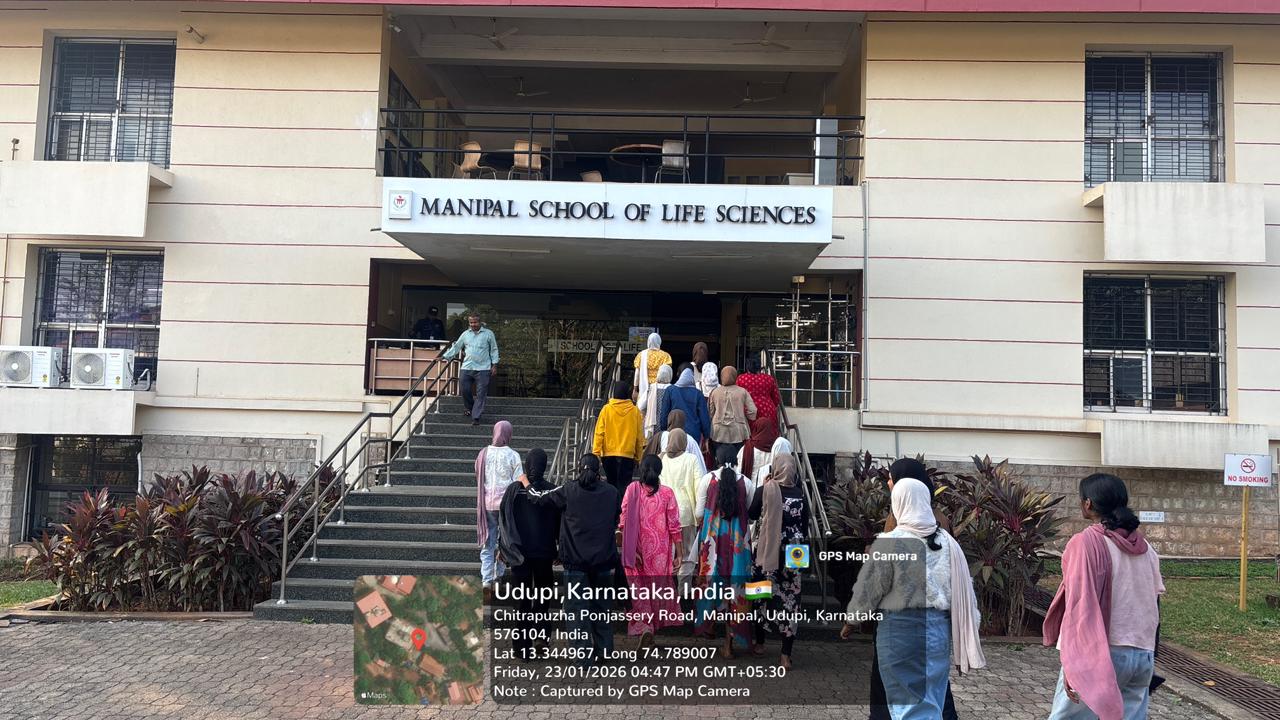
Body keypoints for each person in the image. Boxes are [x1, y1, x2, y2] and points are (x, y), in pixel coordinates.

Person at [842, 477, 985, 720]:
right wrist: (971, 627)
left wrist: (851, 622)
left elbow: (869, 591)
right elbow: (966, 593)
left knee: (907, 708)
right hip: (938, 635)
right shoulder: (949, 543)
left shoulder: (889, 543)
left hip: (898, 634)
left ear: (898, 504)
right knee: (931, 702)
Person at [1043, 473, 1164, 720]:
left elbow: (1080, 605)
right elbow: (1155, 601)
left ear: (1087, 503)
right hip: (1142, 654)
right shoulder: (1146, 549)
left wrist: (1075, 663)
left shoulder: (1084, 543)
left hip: (1102, 653)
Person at [869, 459, 959, 720]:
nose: (888, 483)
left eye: (891, 478)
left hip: (901, 624)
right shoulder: (934, 519)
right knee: (930, 688)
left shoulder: (908, 519)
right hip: (931, 627)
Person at [520, 454, 621, 667]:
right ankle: (604, 651)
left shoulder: (569, 490)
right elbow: (615, 519)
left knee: (577, 611)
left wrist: (526, 483)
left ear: (578, 468)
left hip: (575, 561)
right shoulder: (612, 492)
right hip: (603, 560)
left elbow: (539, 497)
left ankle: (582, 656)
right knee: (602, 608)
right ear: (599, 472)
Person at [692, 443, 754, 658]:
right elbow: (748, 511)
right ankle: (729, 645)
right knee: (735, 590)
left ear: (716, 460)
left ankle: (708, 625)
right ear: (736, 460)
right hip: (738, 546)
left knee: (710, 584)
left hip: (712, 544)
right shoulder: (746, 482)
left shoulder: (707, 480)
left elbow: (699, 513)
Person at [498, 448, 559, 660]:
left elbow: (504, 521)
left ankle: (521, 647)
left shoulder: (514, 491)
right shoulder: (551, 491)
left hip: (519, 554)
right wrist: (558, 547)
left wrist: (502, 548)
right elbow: (559, 522)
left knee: (522, 601)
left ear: (526, 464)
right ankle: (541, 636)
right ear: (545, 466)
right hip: (544, 552)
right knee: (542, 598)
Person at [749, 452, 807, 670]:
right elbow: (804, 526)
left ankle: (760, 643)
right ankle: (785, 656)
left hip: (768, 549)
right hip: (796, 551)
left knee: (760, 595)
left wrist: (766, 489)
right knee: (792, 601)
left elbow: (752, 514)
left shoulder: (765, 490)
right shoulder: (801, 494)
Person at [619, 454, 684, 647]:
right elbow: (674, 526)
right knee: (655, 591)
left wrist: (628, 548)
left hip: (635, 550)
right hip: (659, 553)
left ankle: (646, 627)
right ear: (660, 471)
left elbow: (623, 521)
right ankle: (650, 628)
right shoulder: (667, 493)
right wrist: (680, 553)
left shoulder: (632, 490)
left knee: (639, 590)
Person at [475, 420, 522, 592]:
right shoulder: (513, 455)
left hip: (487, 504)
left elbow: (478, 474)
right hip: (506, 505)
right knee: (505, 541)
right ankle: (498, 575)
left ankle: (486, 579)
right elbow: (518, 481)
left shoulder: (483, 453)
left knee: (488, 542)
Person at [443, 313, 499, 426]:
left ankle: (476, 416)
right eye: (471, 322)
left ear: (480, 322)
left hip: (483, 368)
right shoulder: (465, 334)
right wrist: (445, 356)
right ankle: (470, 407)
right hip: (467, 367)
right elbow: (457, 347)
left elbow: (494, 349)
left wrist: (494, 365)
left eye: (475, 322)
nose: (473, 324)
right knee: (464, 389)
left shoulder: (488, 334)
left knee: (481, 393)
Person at [593, 380, 645, 499]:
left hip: (608, 454)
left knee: (611, 484)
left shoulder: (606, 409)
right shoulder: (635, 411)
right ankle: (623, 508)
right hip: (628, 455)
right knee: (625, 487)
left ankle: (611, 507)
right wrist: (638, 457)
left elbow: (599, 433)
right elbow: (639, 437)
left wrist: (596, 453)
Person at [657, 428, 702, 561]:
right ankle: (684, 574)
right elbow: (699, 486)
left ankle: (670, 573)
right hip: (686, 512)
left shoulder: (661, 459)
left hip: (666, 511)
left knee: (669, 550)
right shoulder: (691, 459)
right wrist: (700, 511)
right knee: (687, 551)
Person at [707, 365, 757, 460]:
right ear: (735, 376)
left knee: (719, 458)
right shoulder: (742, 391)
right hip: (739, 431)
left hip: (718, 431)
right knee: (738, 458)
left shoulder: (715, 392)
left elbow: (710, 412)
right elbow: (753, 411)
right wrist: (745, 417)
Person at [658, 367, 711, 447]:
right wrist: (707, 436)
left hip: (674, 432)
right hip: (694, 434)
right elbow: (704, 418)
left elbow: (664, 414)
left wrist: (664, 430)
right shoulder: (698, 394)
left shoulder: (670, 390)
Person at [736, 357, 781, 439]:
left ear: (747, 367)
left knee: (750, 437)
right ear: (759, 367)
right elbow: (776, 398)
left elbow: (737, 397)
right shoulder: (769, 378)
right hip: (767, 411)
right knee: (768, 437)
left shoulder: (741, 379)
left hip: (748, 412)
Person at [738, 417, 785, 486]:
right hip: (770, 487)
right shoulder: (777, 447)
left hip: (751, 487)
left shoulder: (747, 448)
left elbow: (740, 469)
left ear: (756, 429)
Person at [633, 332, 673, 401]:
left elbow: (637, 374)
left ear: (648, 341)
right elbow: (667, 374)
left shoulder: (641, 355)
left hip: (644, 387)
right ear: (659, 341)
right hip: (659, 388)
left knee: (643, 405)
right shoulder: (665, 356)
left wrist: (635, 389)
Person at [639, 364, 673, 439]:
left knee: (652, 444)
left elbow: (640, 406)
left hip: (652, 426)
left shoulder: (651, 388)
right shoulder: (673, 389)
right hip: (667, 426)